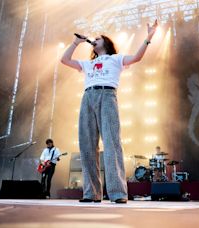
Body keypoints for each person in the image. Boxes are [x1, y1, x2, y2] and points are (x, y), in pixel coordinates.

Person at [61, 20, 158, 204]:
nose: (94, 40)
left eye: (97, 38)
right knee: (87, 145)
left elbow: (137, 57)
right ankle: (91, 193)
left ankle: (118, 192)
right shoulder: (88, 64)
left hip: (107, 95)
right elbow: (64, 60)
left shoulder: (116, 59)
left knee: (112, 144)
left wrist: (149, 36)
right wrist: (76, 43)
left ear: (105, 42)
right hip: (88, 97)